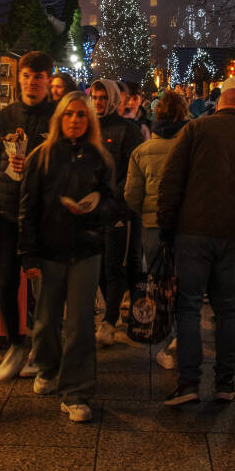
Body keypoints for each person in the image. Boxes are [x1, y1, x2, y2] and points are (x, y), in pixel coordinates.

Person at [157, 87, 235, 405]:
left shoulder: (195, 129)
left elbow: (171, 181)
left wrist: (167, 227)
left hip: (192, 231)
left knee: (189, 307)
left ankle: (188, 383)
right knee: (229, 310)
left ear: (218, 106)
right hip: (234, 235)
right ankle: (225, 383)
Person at [19, 92, 116, 423]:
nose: (75, 119)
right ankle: (47, 366)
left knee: (80, 324)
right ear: (59, 118)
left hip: (86, 250)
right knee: (46, 321)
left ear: (89, 120)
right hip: (49, 251)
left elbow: (112, 202)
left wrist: (93, 209)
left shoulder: (99, 158)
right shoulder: (42, 157)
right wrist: (28, 253)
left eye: (81, 114)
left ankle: (76, 392)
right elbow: (28, 208)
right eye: (69, 114)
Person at [0, 51, 55, 381]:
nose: (30, 81)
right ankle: (15, 344)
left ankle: (42, 354)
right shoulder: (5, 115)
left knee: (42, 288)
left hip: (41, 218)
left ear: (48, 80)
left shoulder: (57, 117)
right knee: (6, 280)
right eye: (26, 75)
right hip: (6, 212)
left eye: (38, 76)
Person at [124, 89, 189, 369]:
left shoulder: (142, 151)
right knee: (185, 283)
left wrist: (145, 213)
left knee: (160, 283)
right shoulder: (189, 147)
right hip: (186, 226)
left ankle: (167, 340)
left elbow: (131, 195)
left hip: (152, 227)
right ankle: (184, 337)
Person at [91, 78, 144, 344]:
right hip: (92, 209)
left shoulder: (128, 129)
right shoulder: (88, 127)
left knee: (113, 264)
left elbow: (133, 169)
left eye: (103, 98)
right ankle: (113, 313)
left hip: (117, 208)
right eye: (95, 97)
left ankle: (110, 320)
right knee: (99, 266)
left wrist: (115, 196)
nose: (99, 103)